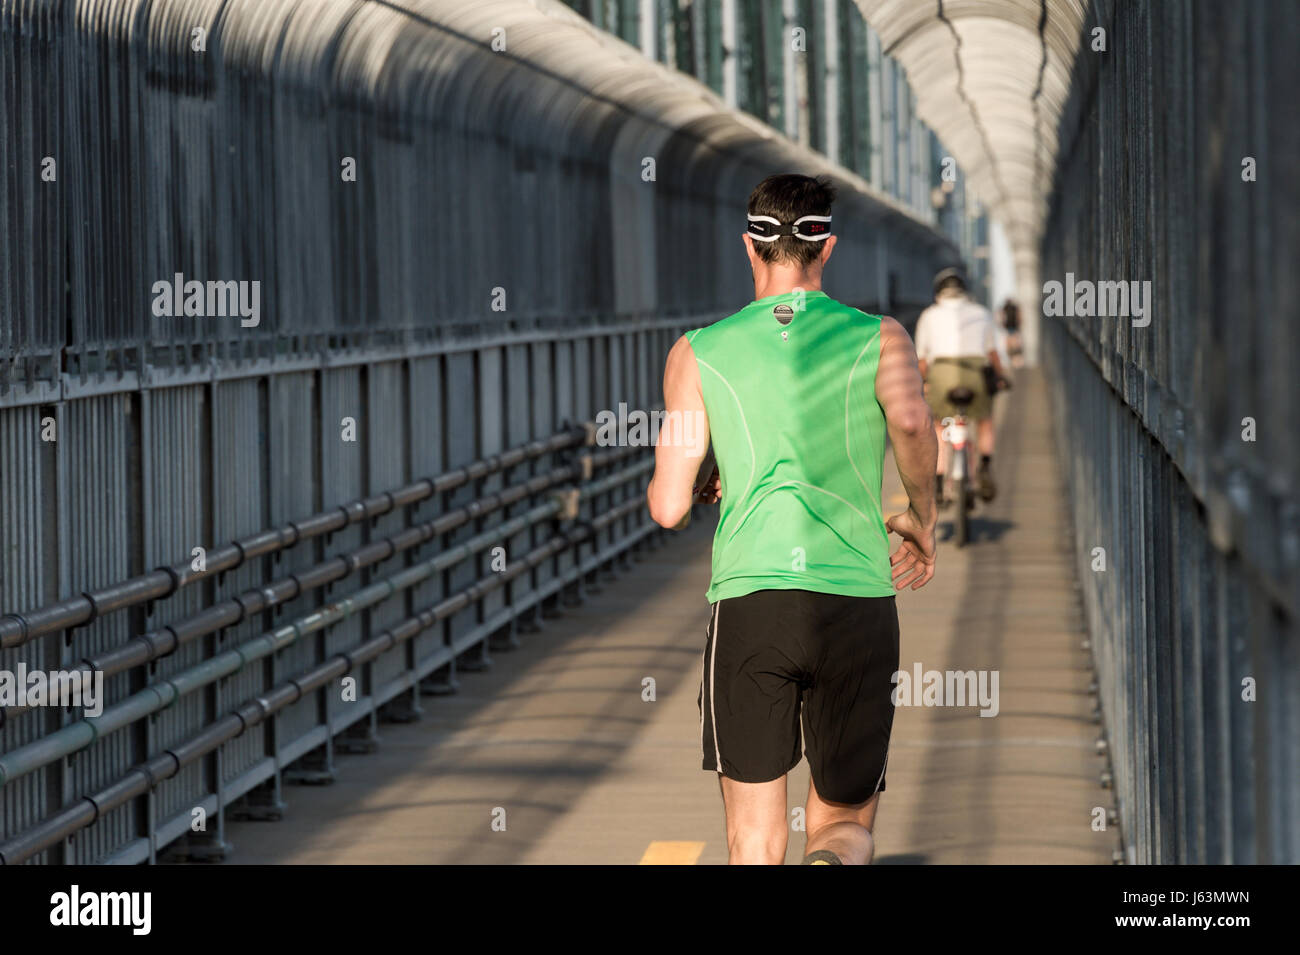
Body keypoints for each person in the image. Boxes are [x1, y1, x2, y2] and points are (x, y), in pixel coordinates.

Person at [645, 173, 938, 865]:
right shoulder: (883, 337)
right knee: (844, 820)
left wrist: (716, 465)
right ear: (826, 248)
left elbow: (668, 506)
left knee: (754, 836)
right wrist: (924, 516)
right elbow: (913, 423)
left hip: (753, 603)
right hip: (857, 598)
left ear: (750, 245)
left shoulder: (698, 350)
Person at [913, 268, 1009, 506]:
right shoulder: (981, 313)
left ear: (938, 293)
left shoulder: (929, 315)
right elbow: (992, 352)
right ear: (965, 292)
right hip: (974, 372)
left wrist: (921, 384)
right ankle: (985, 466)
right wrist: (1001, 377)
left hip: (942, 372)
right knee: (984, 419)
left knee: (938, 424)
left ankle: (937, 482)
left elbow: (922, 361)